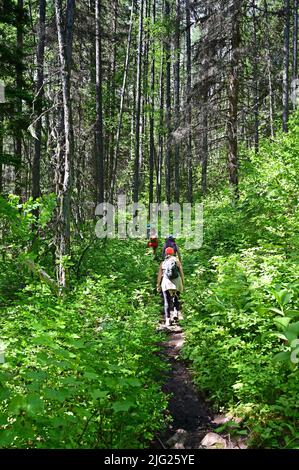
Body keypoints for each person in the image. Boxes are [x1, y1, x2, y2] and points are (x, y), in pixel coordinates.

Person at [156, 246, 184, 326]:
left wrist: (158, 285)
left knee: (166, 301)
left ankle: (167, 320)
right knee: (176, 298)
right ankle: (175, 313)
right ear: (173, 253)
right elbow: (181, 272)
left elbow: (159, 275)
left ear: (166, 253)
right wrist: (182, 282)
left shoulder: (163, 262)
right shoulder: (177, 261)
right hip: (177, 282)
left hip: (166, 282)